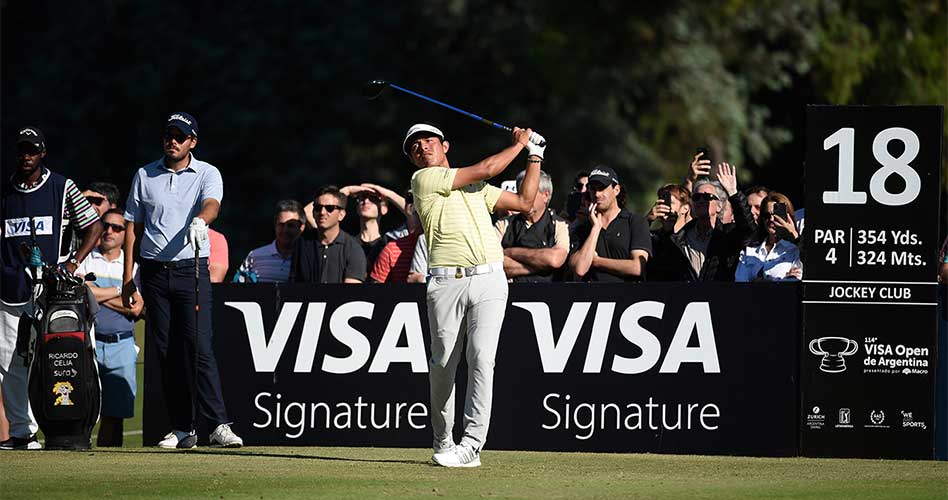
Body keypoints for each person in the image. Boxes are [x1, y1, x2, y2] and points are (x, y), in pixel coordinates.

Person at [407, 122, 544, 467]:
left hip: (489, 280)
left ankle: (472, 445)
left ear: (445, 145)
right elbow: (486, 167)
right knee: (443, 365)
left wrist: (535, 155)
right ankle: (443, 440)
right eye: (415, 147)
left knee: (482, 357)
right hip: (445, 283)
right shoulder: (422, 181)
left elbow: (527, 202)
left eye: (429, 142)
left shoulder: (477, 188)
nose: (423, 148)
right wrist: (520, 144)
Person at [122, 112, 242, 448]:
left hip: (191, 270)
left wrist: (201, 220)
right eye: (168, 135)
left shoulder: (206, 172)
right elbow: (133, 226)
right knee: (165, 352)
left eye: (180, 136)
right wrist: (128, 278)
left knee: (199, 346)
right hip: (154, 272)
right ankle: (182, 427)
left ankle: (218, 424)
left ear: (192, 142)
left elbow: (212, 203)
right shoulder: (145, 174)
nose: (172, 141)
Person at [0, 126, 103, 450]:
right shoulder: (6, 190)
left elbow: (94, 225)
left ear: (42, 153)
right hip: (11, 286)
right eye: (22, 150)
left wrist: (72, 264)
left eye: (32, 150)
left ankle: (78, 423)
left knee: (72, 352)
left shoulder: (62, 186)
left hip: (55, 289)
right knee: (10, 361)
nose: (26, 156)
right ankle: (22, 432)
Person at [75, 209, 144, 446]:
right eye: (105, 226)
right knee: (81, 409)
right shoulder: (85, 258)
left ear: (126, 234)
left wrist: (96, 292)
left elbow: (136, 309)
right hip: (88, 343)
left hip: (121, 344)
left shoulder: (133, 268)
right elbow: (80, 294)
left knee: (115, 415)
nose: (109, 231)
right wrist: (118, 291)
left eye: (117, 228)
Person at [650, 163, 755, 281]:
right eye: (696, 197)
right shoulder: (680, 237)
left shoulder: (727, 234)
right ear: (692, 205)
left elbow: (748, 230)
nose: (701, 201)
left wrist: (733, 193)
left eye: (708, 197)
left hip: (719, 297)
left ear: (719, 206)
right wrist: (650, 219)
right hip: (687, 298)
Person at [568, 166, 651, 282]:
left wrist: (597, 261)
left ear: (616, 190)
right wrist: (596, 228)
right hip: (593, 298)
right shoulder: (584, 228)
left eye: (602, 188)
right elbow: (579, 269)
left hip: (627, 297)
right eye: (593, 189)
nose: (597, 194)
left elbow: (637, 267)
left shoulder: (635, 222)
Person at [494, 170, 569, 282]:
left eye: (530, 194)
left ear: (546, 195)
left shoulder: (559, 225)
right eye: (521, 193)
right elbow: (494, 266)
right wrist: (542, 266)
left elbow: (554, 259)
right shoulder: (504, 225)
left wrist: (511, 252)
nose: (525, 198)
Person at [291, 185, 366, 284]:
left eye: (329, 208)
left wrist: (344, 192)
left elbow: (351, 294)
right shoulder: (302, 243)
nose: (322, 212)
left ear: (341, 215)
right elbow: (293, 285)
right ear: (313, 213)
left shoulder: (353, 248)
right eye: (318, 208)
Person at [735, 192, 802, 282]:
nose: (771, 220)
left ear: (788, 216)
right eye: (767, 215)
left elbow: (795, 282)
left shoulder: (796, 250)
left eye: (777, 215)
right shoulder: (750, 250)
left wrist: (794, 234)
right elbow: (740, 283)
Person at [236, 200, 305, 283]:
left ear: (302, 227)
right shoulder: (254, 257)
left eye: (291, 225)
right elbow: (238, 290)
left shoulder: (307, 260)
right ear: (275, 225)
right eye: (281, 224)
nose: (285, 230)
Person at [369, 201, 422, 284]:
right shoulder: (392, 249)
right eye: (421, 215)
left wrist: (422, 280)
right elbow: (375, 291)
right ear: (414, 216)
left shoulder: (446, 248)